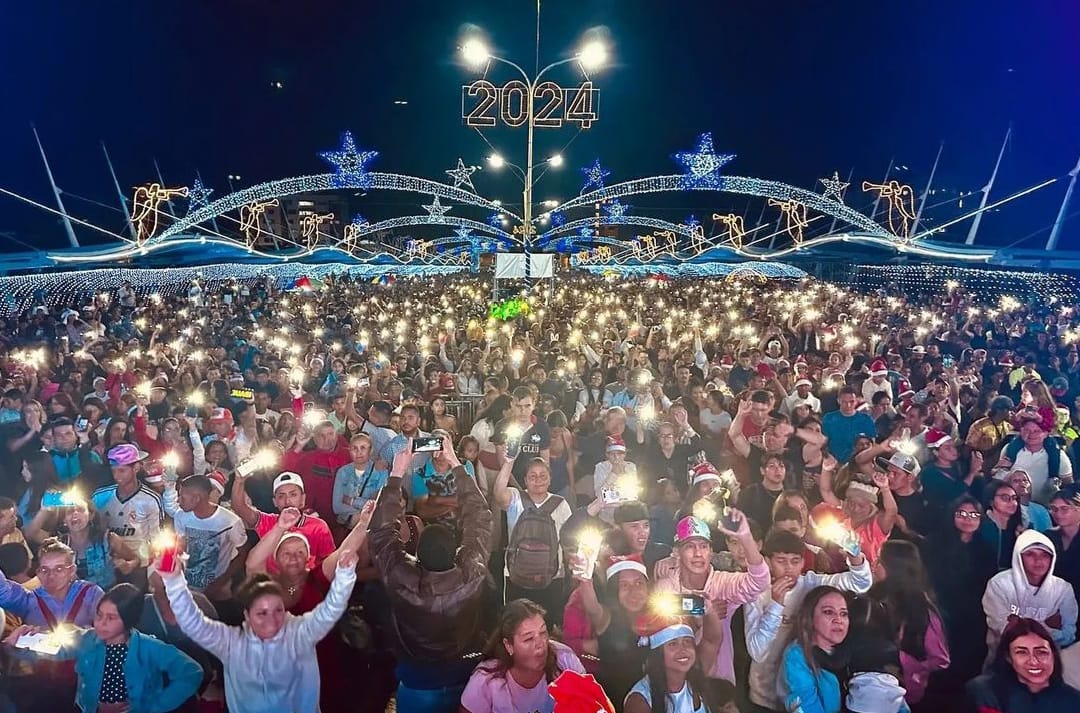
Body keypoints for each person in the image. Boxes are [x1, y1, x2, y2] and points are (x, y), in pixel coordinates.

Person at [158, 541, 359, 713]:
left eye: (278, 610)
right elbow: (193, 623)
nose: (271, 620)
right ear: (247, 615)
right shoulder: (232, 643)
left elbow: (331, 609)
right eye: (262, 613)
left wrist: (345, 575)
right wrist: (173, 580)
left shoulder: (300, 633)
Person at [369, 439, 494, 711]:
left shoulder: (403, 578)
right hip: (467, 677)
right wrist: (457, 465)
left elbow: (380, 535)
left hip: (418, 682)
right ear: (455, 552)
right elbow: (480, 518)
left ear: (417, 556)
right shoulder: (471, 572)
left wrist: (396, 473)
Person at [4, 583, 202, 713]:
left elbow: (192, 672)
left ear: (129, 620)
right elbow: (54, 647)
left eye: (111, 618)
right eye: (99, 615)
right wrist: (21, 642)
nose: (100, 623)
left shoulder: (151, 648)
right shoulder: (87, 640)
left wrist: (155, 706)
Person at [744, 529, 872, 712]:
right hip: (763, 693)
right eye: (781, 561)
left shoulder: (811, 583)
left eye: (795, 561)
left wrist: (856, 558)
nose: (789, 568)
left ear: (803, 562)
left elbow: (860, 584)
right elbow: (757, 651)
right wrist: (775, 606)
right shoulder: (756, 593)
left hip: (803, 687)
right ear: (768, 562)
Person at [654, 512, 771, 685]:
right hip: (679, 683)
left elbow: (759, 582)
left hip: (720, 681)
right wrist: (704, 616)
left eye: (703, 546)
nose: (698, 553)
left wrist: (746, 538)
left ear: (710, 552)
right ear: (678, 552)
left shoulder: (722, 583)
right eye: (689, 547)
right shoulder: (665, 588)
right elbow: (664, 639)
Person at [460, 598, 586, 713]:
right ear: (509, 645)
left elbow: (592, 705)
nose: (540, 644)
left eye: (543, 632)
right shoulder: (486, 679)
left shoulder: (565, 661)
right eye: (528, 639)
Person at [869, 540, 950, 706]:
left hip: (903, 693)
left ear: (893, 568)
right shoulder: (871, 597)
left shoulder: (920, 610)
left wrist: (901, 660)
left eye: (879, 560)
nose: (873, 564)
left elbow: (940, 659)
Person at [982, 530, 1078, 659]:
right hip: (1003, 659)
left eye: (1045, 555)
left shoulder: (1063, 589)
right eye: (1030, 554)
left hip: (1047, 662)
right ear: (1019, 557)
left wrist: (1019, 622)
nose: (1038, 560)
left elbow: (1068, 636)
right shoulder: (999, 584)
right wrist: (1046, 626)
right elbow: (1004, 632)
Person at [966, 617, 1080, 712]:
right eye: (1022, 652)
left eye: (1041, 652)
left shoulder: (1073, 701)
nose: (1033, 661)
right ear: (1008, 658)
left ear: (1053, 655)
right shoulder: (985, 691)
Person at [231, 469, 335, 573]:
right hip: (274, 585)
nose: (287, 501)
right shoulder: (268, 521)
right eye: (281, 496)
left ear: (303, 499)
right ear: (275, 501)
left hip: (306, 584)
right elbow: (239, 508)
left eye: (293, 495)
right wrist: (239, 481)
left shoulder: (318, 526)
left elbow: (328, 562)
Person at [162, 474, 247, 600]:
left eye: (182, 497)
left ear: (197, 498)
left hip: (218, 590)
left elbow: (243, 553)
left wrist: (221, 581)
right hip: (188, 586)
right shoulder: (181, 516)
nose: (178, 500)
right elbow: (180, 547)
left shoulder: (230, 522)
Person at [777, 585, 850, 713]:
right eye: (828, 612)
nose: (838, 620)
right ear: (810, 617)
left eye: (843, 614)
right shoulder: (796, 657)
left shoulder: (852, 650)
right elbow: (807, 706)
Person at [623, 621, 718, 713]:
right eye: (673, 644)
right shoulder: (639, 701)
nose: (683, 649)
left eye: (687, 641)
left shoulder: (696, 681)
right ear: (658, 654)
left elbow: (712, 640)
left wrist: (708, 608)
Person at [332, 432, 389, 527]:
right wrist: (362, 511)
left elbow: (378, 504)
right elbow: (337, 507)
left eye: (363, 448)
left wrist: (352, 501)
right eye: (354, 448)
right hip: (346, 525)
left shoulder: (381, 472)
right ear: (349, 451)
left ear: (370, 450)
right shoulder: (343, 472)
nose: (359, 452)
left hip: (371, 526)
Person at [821, 387, 876, 463]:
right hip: (835, 463)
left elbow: (872, 445)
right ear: (838, 401)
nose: (848, 405)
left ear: (857, 401)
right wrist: (828, 459)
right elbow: (823, 443)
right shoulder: (829, 418)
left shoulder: (866, 419)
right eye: (844, 402)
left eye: (852, 401)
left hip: (860, 463)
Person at [1046, 484, 1080, 603]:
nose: (1058, 513)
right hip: (1054, 600)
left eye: (1064, 508)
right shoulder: (1048, 537)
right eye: (1054, 509)